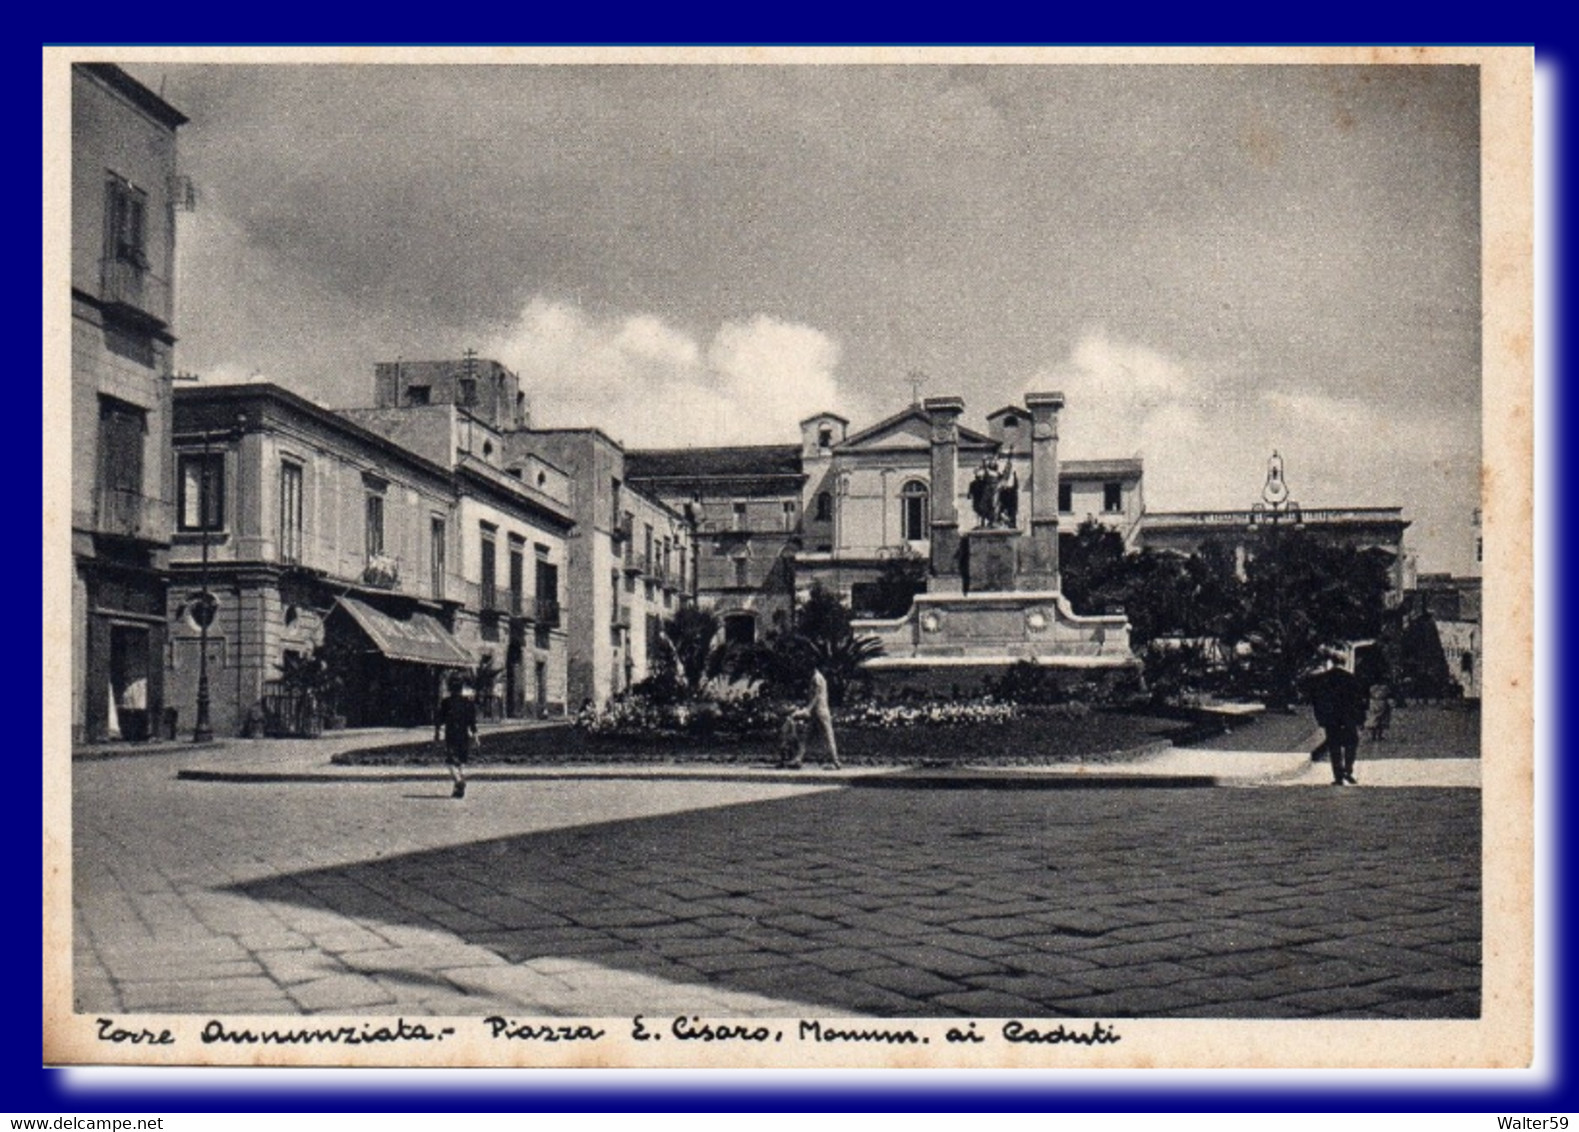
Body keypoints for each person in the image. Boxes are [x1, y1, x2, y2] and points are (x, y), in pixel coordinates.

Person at [1308, 654, 1369, 786]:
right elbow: (1359, 700)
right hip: (1348, 717)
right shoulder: (1351, 678)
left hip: (1331, 718)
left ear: (1331, 662)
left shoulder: (1323, 679)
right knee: (1351, 744)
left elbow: (1317, 700)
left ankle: (1338, 776)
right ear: (1344, 662)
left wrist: (1321, 717)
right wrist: (1361, 719)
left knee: (1334, 747)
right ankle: (1348, 770)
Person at [434, 674, 479, 798]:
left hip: (451, 735)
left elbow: (440, 720)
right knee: (462, 762)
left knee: (450, 762)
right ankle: (458, 790)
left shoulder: (446, 702)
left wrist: (437, 733)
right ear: (462, 688)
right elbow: (472, 722)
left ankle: (459, 781)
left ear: (449, 687)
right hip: (463, 735)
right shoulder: (468, 703)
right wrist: (475, 736)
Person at [797, 667, 842, 769]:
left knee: (827, 735)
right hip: (818, 711)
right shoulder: (819, 677)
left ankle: (836, 761)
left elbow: (816, 695)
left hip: (819, 711)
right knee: (806, 736)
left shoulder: (816, 678)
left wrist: (808, 708)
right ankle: (798, 758)